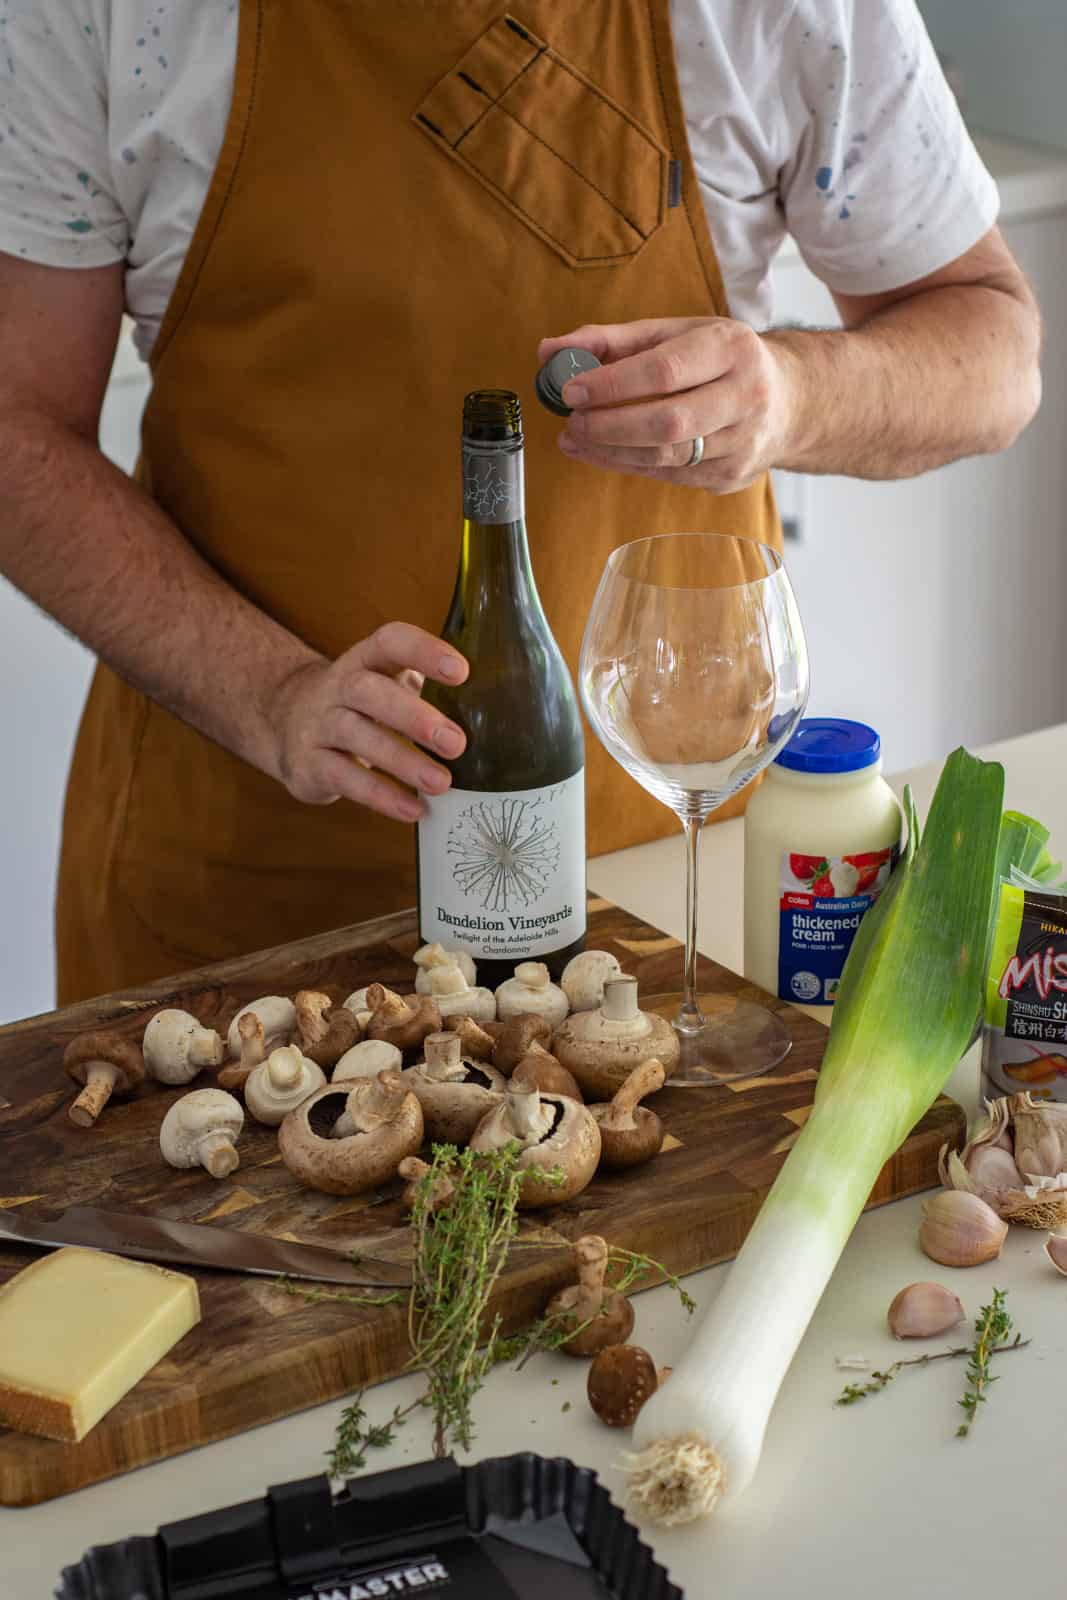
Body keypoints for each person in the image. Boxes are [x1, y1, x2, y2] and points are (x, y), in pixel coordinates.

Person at [0, 1, 1041, 1005]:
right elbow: (17, 426)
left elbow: (993, 355)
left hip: (645, 894)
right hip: (244, 894)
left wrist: (793, 395)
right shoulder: (109, 14)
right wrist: (271, 693)